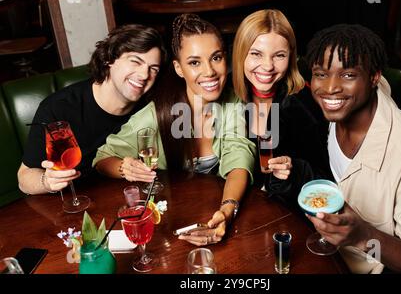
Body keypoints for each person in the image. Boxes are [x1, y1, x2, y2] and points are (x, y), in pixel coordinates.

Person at [93, 14, 256, 246]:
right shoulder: (156, 115)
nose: (209, 71)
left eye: (216, 58)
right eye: (194, 62)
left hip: (218, 213)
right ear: (179, 69)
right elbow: (101, 158)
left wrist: (227, 210)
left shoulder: (232, 102)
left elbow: (239, 156)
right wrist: (123, 166)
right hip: (169, 226)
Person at [303, 23, 401, 273]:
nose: (329, 88)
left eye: (348, 75)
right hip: (326, 255)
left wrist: (363, 237)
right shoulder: (340, 109)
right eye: (321, 74)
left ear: (374, 77)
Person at [18, 24, 167, 195]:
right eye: (135, 61)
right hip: (70, 204)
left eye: (153, 69)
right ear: (109, 59)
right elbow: (24, 178)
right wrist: (46, 181)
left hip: (124, 199)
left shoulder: (151, 107)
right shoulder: (59, 108)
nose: (144, 75)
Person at [232, 9, 331, 202]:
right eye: (256, 54)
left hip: (285, 214)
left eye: (279, 55)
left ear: (291, 57)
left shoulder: (303, 105)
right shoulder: (225, 93)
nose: (267, 66)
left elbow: (325, 180)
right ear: (240, 53)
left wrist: (293, 170)